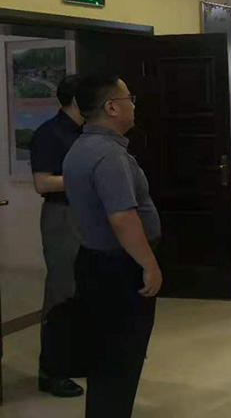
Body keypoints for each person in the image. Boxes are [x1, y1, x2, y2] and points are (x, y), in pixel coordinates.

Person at [63, 75, 162, 417]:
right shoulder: (109, 156)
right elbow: (122, 218)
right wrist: (149, 264)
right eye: (129, 98)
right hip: (119, 267)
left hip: (95, 261)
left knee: (105, 356)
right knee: (120, 357)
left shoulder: (80, 148)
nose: (133, 105)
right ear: (111, 107)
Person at [30, 75, 84, 398]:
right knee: (61, 292)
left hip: (86, 215)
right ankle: (52, 371)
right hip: (62, 215)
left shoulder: (87, 133)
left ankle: (75, 360)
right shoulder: (48, 133)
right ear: (77, 100)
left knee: (82, 291)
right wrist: (83, 175)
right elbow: (42, 183)